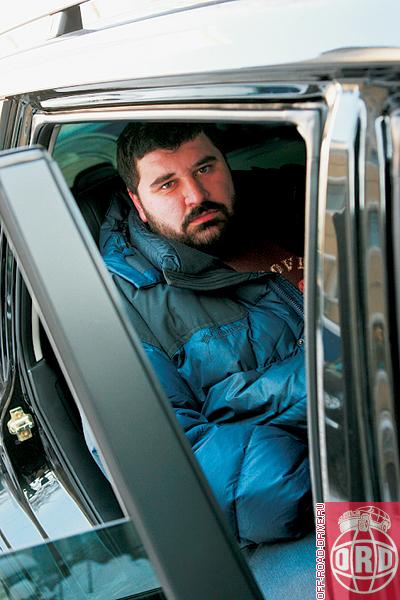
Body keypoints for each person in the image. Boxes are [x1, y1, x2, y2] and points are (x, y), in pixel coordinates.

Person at [95, 122, 311, 547]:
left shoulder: (299, 199)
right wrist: (333, 382)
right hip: (323, 497)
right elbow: (175, 463)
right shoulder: (117, 305)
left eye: (205, 168)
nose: (195, 195)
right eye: (167, 184)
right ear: (138, 203)